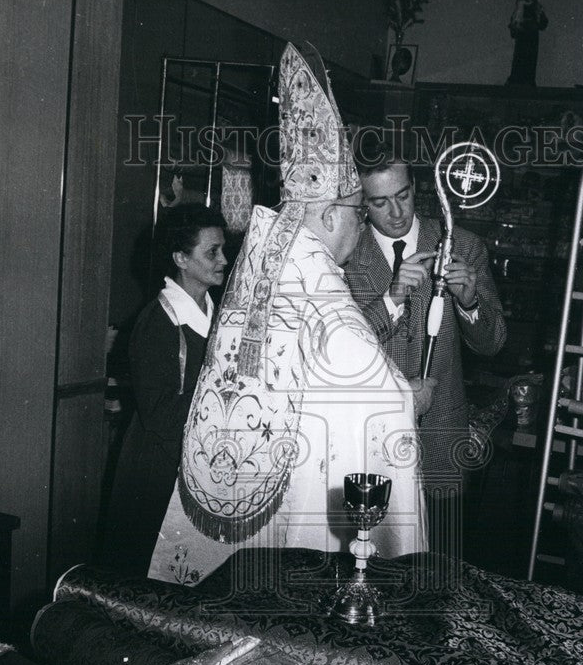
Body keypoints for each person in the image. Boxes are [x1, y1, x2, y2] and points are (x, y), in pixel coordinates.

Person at [147, 44, 427, 584]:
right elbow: (381, 398)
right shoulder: (317, 281)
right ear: (328, 212)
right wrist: (409, 394)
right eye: (355, 212)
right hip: (300, 518)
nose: (357, 227)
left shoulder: (264, 269)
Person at [344, 143, 506, 560]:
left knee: (440, 569)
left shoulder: (462, 246)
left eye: (403, 196)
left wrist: (470, 303)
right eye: (380, 203)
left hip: (441, 443)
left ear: (417, 187)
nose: (397, 213)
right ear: (362, 204)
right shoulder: (344, 256)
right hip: (370, 442)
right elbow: (340, 352)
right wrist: (392, 297)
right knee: (370, 559)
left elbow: (493, 343)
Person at [103, 205, 227, 574]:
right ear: (181, 259)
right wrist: (225, 396)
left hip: (198, 462)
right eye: (212, 252)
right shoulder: (157, 323)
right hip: (157, 470)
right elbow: (162, 416)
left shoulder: (216, 312)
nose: (223, 259)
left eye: (222, 249)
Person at [507, 0, 548, 86]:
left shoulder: (537, 5)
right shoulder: (520, 4)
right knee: (519, 57)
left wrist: (537, 24)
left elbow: (543, 21)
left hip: (532, 35)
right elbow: (515, 18)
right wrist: (514, 27)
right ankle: (515, 81)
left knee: (531, 58)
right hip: (522, 33)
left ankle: (528, 82)